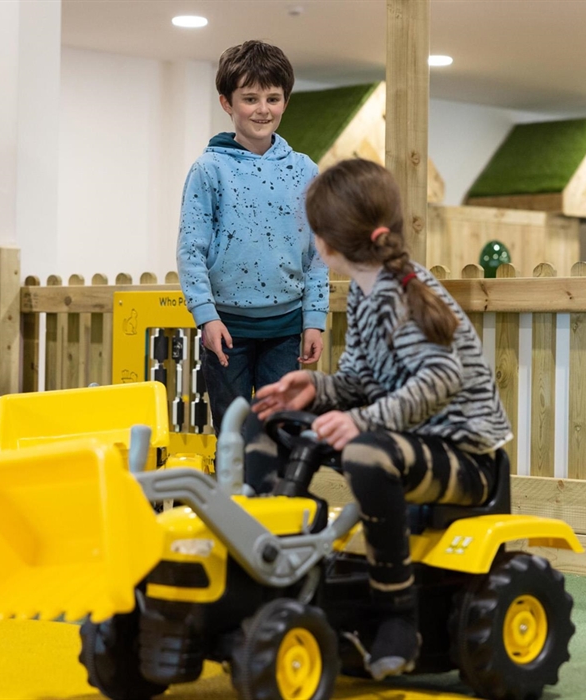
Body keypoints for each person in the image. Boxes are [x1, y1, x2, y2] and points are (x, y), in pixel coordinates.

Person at [249, 158, 513, 681]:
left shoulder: (403, 294)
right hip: (409, 443)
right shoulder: (368, 296)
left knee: (365, 450)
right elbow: (357, 383)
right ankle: (285, 557)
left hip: (467, 457)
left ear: (329, 241)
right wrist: (315, 388)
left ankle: (398, 613)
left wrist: (365, 420)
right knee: (263, 420)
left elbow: (441, 377)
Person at [177, 40, 328, 432]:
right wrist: (205, 317)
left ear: (285, 102)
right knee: (234, 434)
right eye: (250, 98)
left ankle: (277, 496)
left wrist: (314, 319)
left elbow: (318, 253)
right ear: (227, 103)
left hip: (286, 328)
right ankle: (235, 496)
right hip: (226, 329)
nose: (263, 109)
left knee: (283, 431)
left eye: (273, 98)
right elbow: (190, 251)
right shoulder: (208, 169)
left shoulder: (305, 170)